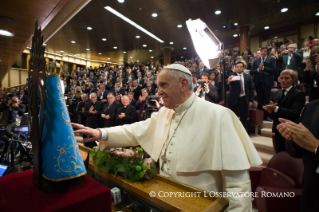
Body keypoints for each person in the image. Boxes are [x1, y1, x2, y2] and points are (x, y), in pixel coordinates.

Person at [73, 64, 262, 211]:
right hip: (166, 201)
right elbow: (136, 130)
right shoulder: (165, 112)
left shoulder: (219, 115)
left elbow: (237, 183)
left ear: (183, 84)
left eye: (163, 85)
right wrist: (101, 133)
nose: (159, 91)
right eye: (157, 86)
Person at [276, 99, 319, 211]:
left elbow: (312, 144)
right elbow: (299, 151)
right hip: (311, 192)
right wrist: (291, 137)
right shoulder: (311, 107)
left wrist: (315, 145)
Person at [263, 69, 305, 152]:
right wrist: (269, 111)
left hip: (291, 129)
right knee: (279, 152)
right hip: (278, 128)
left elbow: (295, 112)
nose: (283, 80)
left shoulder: (298, 94)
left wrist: (275, 109)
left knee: (290, 155)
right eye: (281, 78)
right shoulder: (276, 93)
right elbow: (274, 113)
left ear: (293, 80)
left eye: (286, 78)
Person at [250, 47, 276, 121]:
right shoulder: (256, 61)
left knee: (267, 100)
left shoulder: (271, 59)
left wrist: (263, 68)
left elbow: (274, 69)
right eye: (262, 51)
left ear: (267, 52)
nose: (263, 52)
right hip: (258, 83)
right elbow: (251, 71)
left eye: (265, 51)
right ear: (260, 52)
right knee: (260, 100)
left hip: (267, 83)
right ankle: (261, 115)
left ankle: (267, 116)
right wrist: (258, 69)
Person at [227, 61, 254, 131]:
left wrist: (251, 100)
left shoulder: (248, 76)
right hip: (233, 99)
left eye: (240, 67)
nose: (239, 68)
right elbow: (227, 84)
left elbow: (251, 89)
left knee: (244, 118)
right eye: (237, 67)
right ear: (235, 68)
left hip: (244, 98)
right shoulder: (232, 76)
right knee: (232, 117)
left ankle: (245, 134)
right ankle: (232, 132)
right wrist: (229, 81)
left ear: (244, 68)